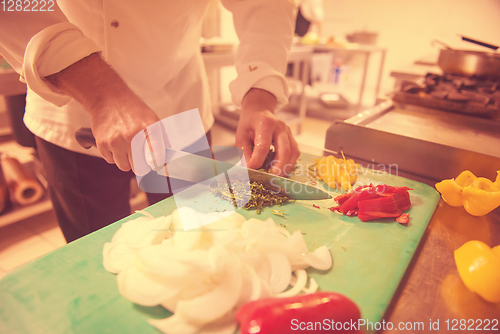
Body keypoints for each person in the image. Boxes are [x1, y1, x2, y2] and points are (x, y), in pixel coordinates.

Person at [0, 0, 300, 242]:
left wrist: (260, 95)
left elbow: (268, 5)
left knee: (202, 236)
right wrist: (102, 95)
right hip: (75, 109)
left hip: (181, 103)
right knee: (98, 250)